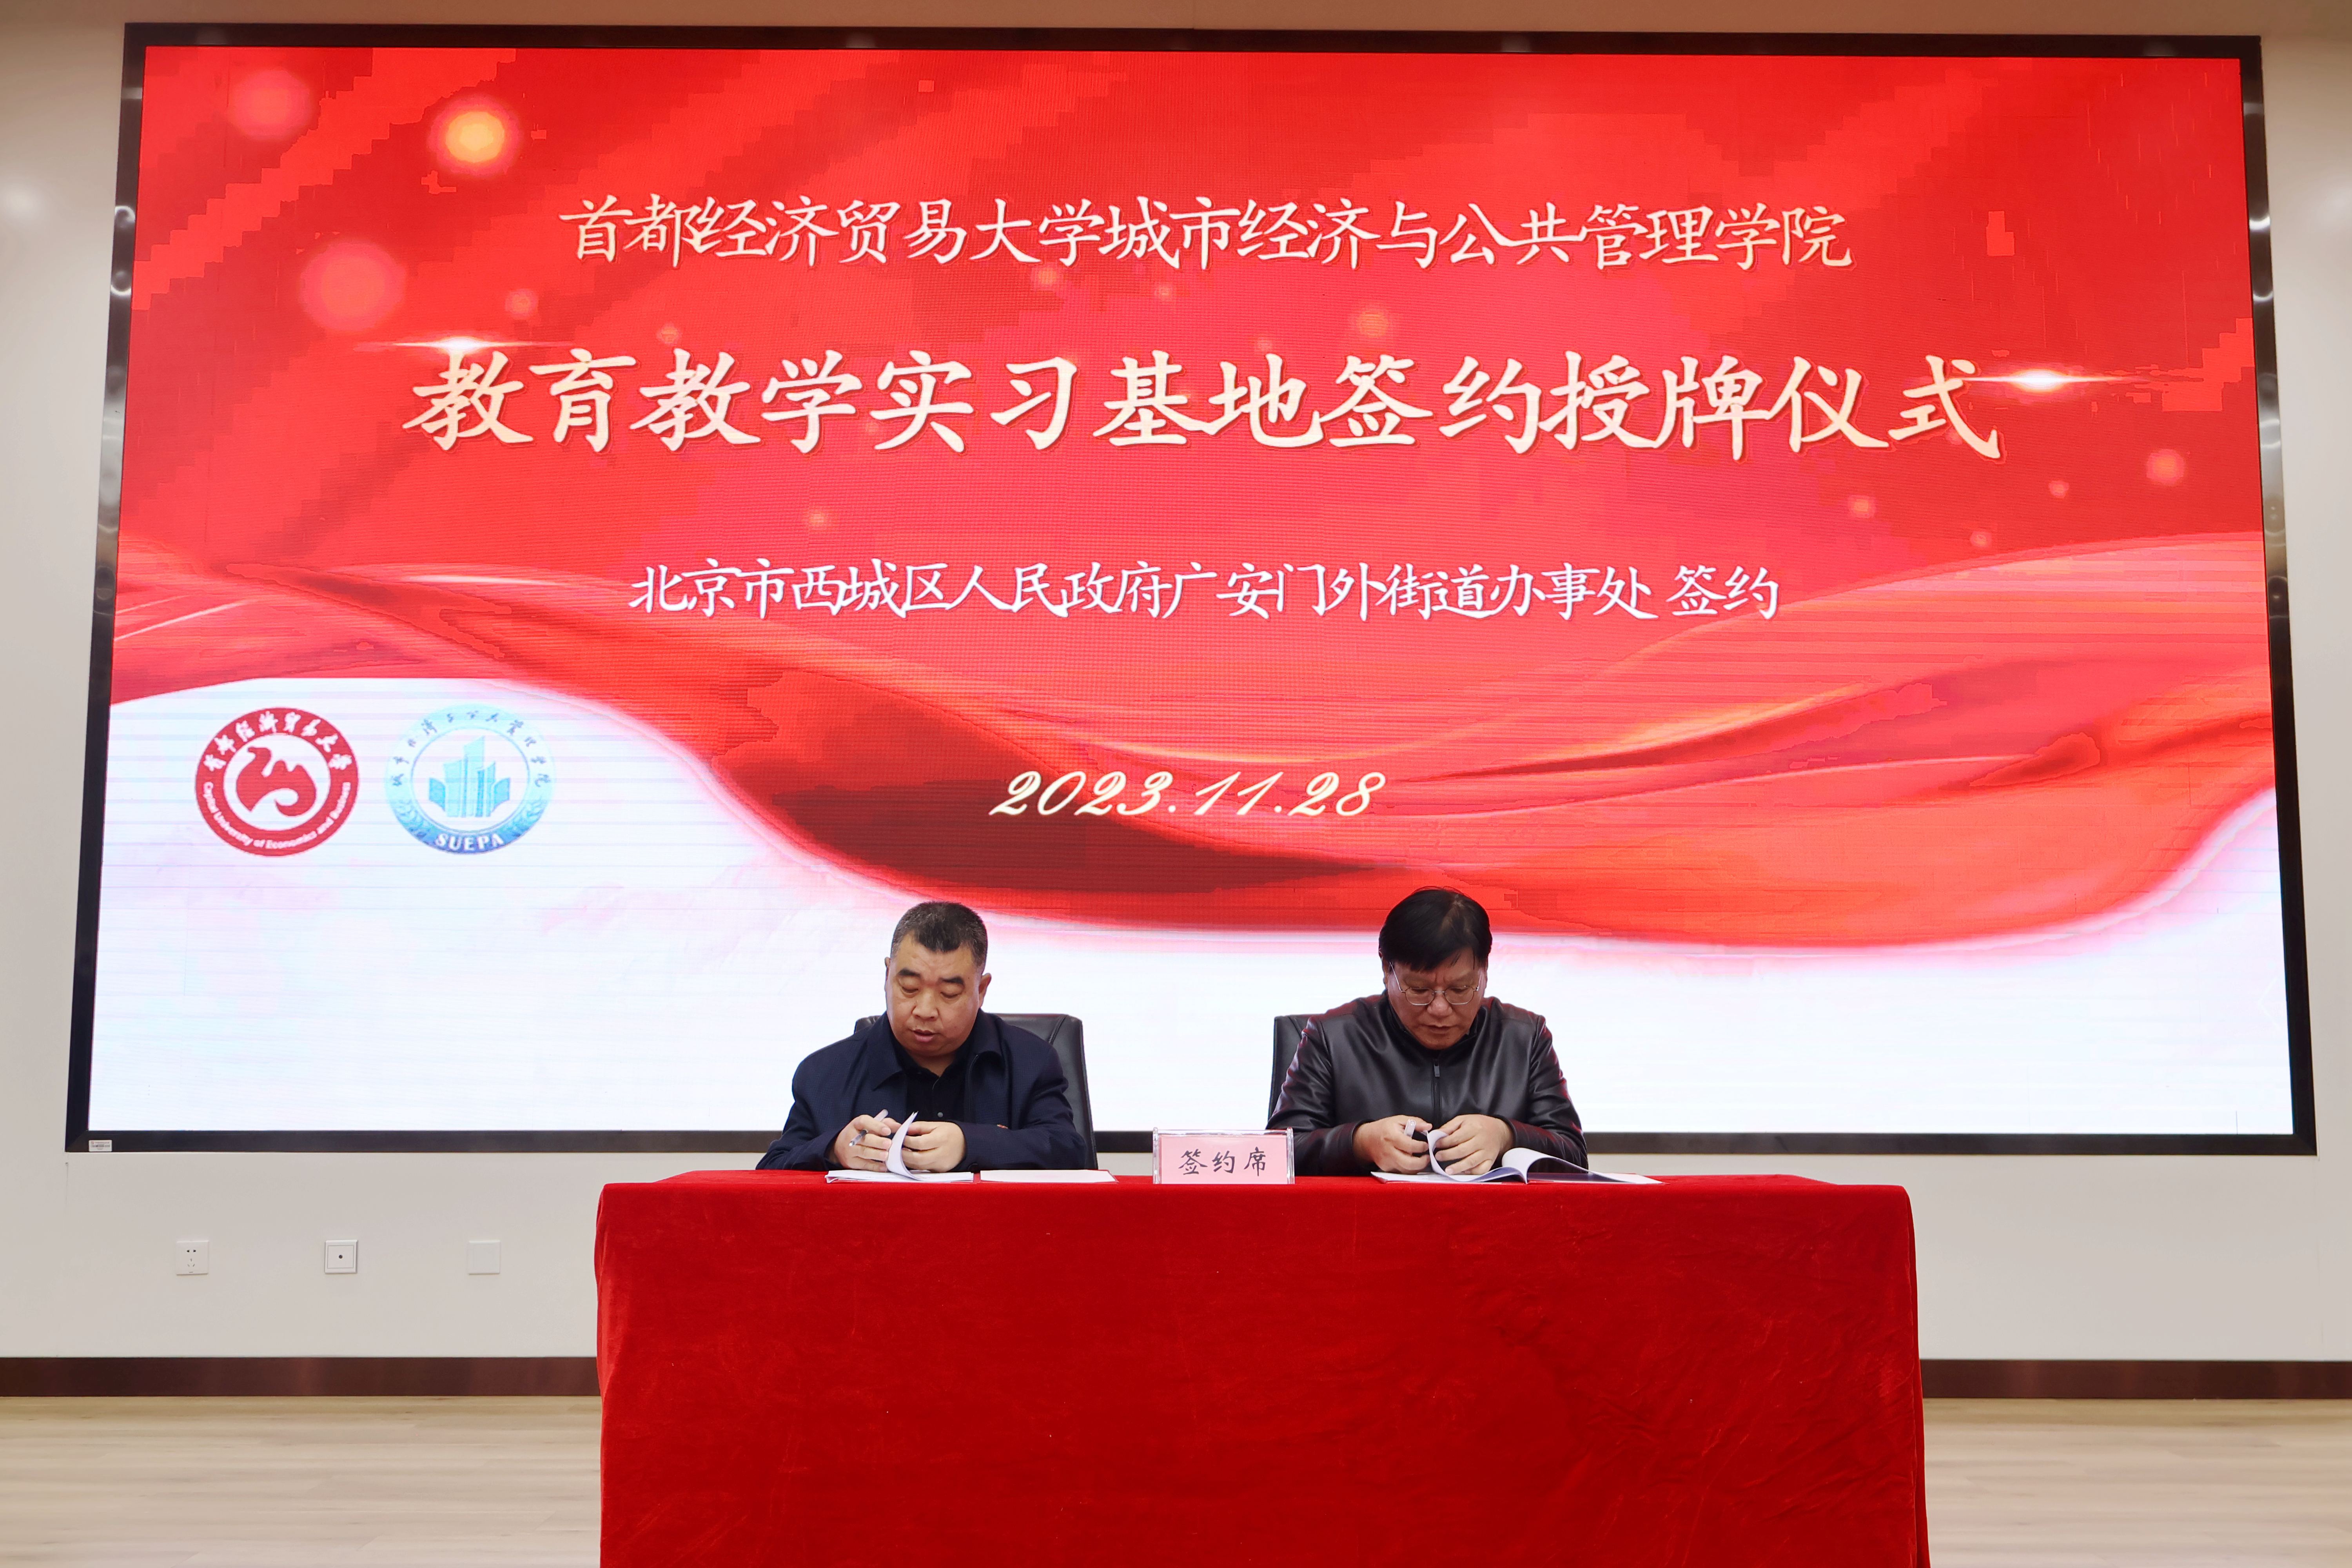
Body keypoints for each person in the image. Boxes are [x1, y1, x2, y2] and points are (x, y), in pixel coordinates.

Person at [1270, 887, 1586, 1176]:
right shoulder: (1332, 1038)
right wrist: (1359, 1142)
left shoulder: (1524, 1038)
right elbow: (1278, 1152)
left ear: (1485, 972)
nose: (1440, 1009)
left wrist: (1507, 1136)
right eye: (1419, 990)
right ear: (1387, 969)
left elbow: (1574, 1155)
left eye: (1460, 989)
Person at [757, 901, 1089, 1172]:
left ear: (981, 990)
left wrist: (970, 1144)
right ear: (887, 976)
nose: (925, 1010)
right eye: (910, 988)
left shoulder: (1031, 1062)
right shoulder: (824, 1073)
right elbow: (772, 1169)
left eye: (949, 994)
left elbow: (1070, 1153)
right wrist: (833, 1150)